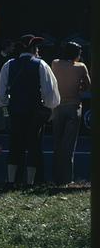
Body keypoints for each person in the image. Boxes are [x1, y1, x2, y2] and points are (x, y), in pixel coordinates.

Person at [0, 34, 60, 186]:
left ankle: (11, 181)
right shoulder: (41, 65)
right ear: (33, 48)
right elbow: (50, 93)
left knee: (14, 144)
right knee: (33, 146)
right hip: (35, 112)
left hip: (15, 111)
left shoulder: (9, 65)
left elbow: (0, 95)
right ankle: (30, 182)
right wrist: (49, 107)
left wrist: (6, 108)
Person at [50, 42, 89, 185]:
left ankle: (55, 177)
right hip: (73, 106)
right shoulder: (81, 67)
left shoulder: (55, 63)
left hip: (58, 107)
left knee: (57, 144)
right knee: (69, 146)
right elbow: (87, 85)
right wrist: (79, 85)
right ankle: (66, 179)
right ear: (76, 54)